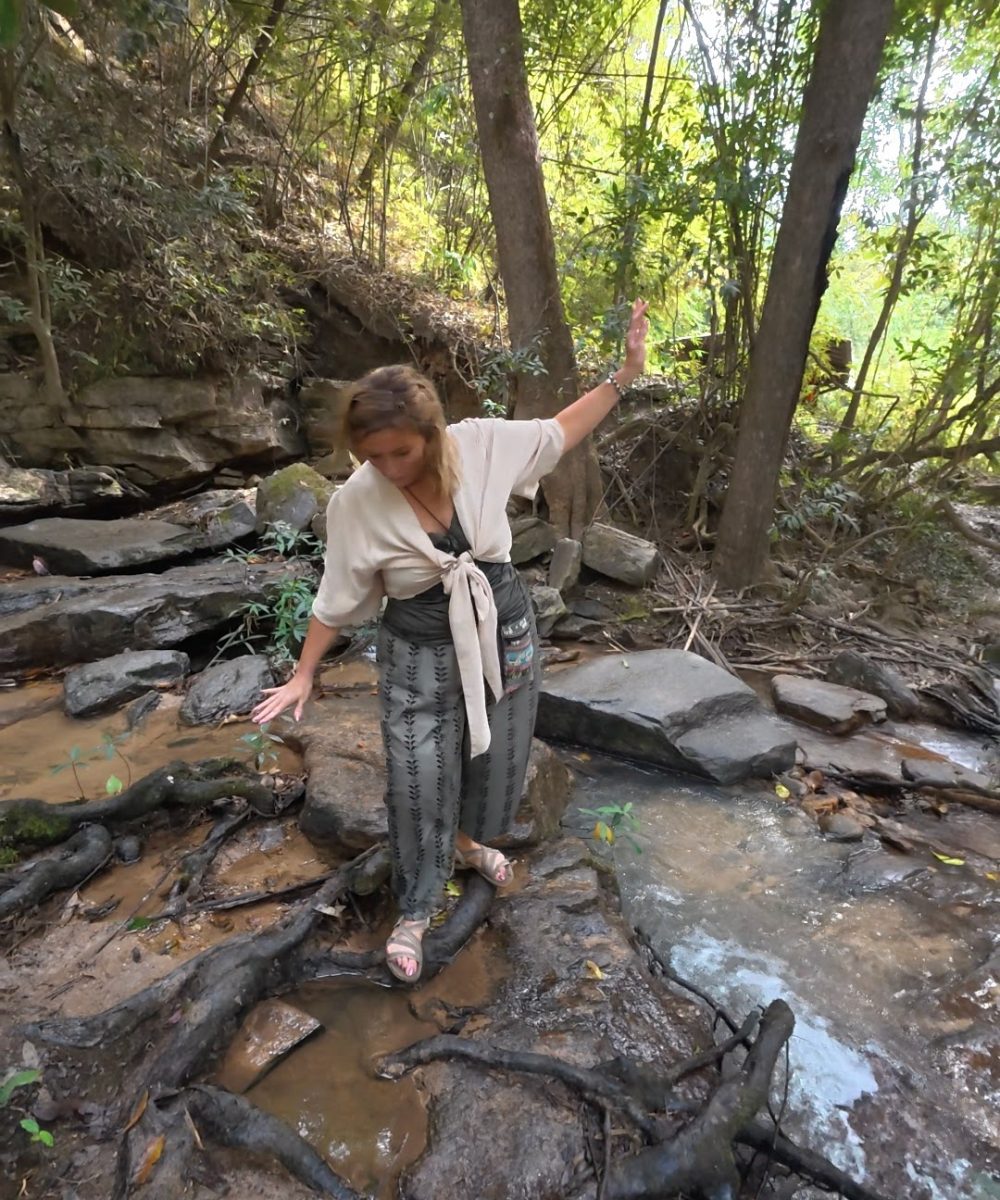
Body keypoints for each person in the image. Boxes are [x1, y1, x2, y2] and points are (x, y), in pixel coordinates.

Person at [251, 299, 650, 981]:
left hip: (505, 626)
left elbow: (559, 433)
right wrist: (303, 674)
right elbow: (337, 598)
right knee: (416, 777)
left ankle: (467, 842)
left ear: (432, 433)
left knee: (494, 758)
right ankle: (416, 904)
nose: (387, 466)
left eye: (400, 451)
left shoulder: (481, 445)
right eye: (370, 455)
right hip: (417, 645)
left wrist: (625, 374)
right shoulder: (356, 502)